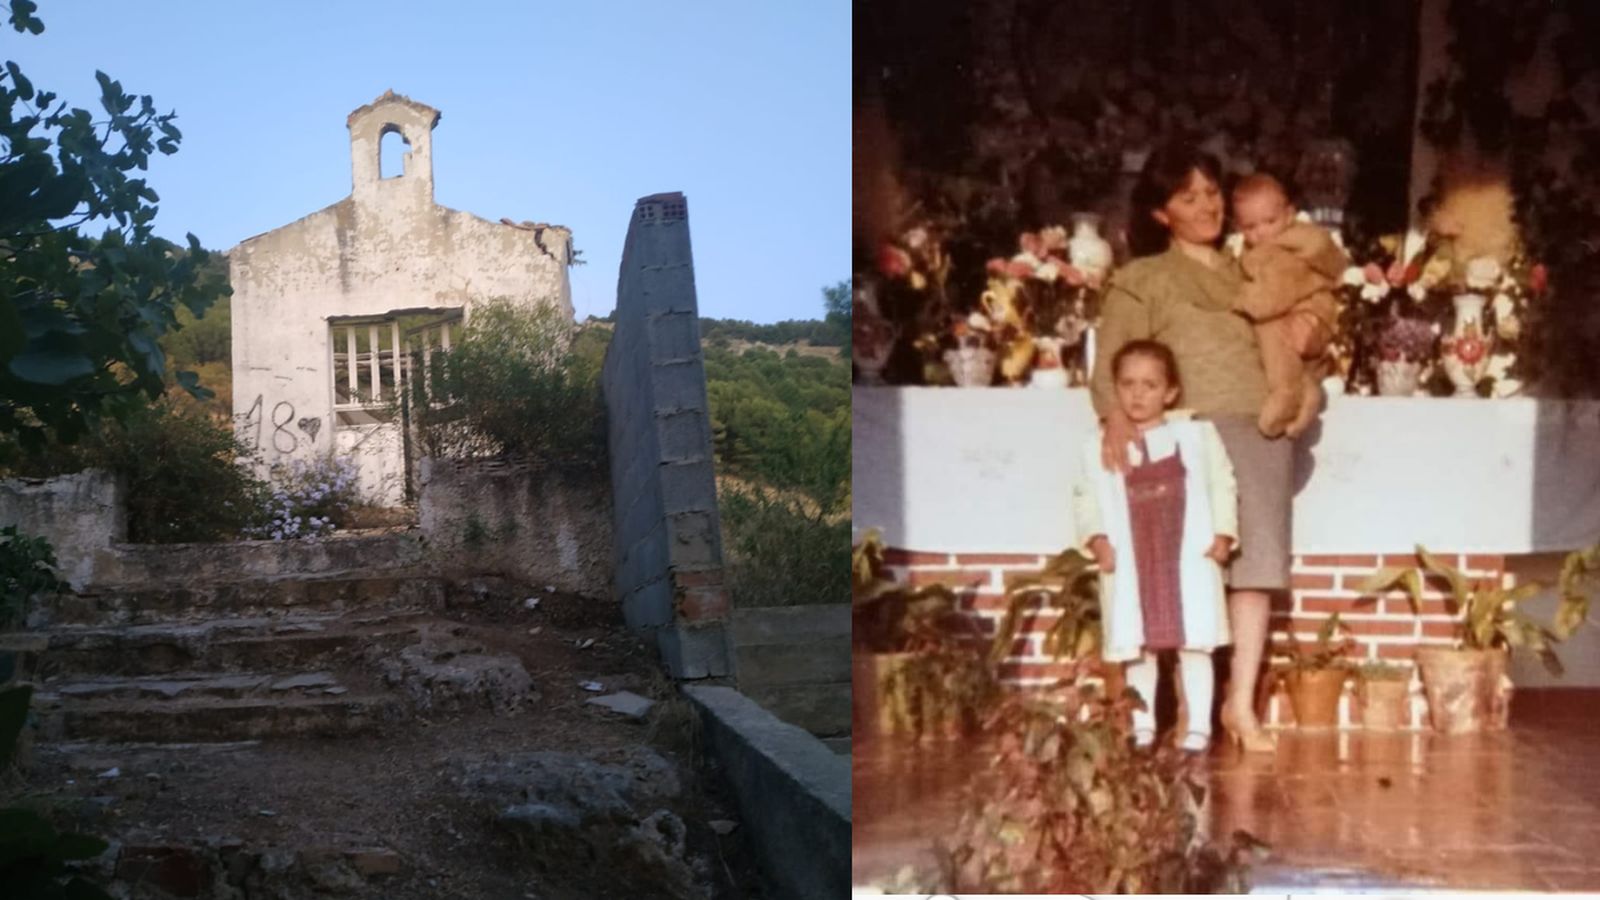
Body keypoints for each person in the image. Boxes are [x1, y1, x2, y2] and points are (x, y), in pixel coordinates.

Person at [1089, 143, 1296, 753]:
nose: (1208, 206)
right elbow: (1110, 367)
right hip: (1183, 439)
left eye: (1212, 193)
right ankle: (1181, 708)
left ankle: (1239, 706)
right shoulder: (1142, 278)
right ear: (1161, 213)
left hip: (1258, 431)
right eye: (1189, 197)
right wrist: (1115, 420)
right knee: (1181, 570)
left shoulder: (1252, 269)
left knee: (1255, 571)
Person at [1073, 340, 1238, 753]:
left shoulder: (1196, 436)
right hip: (1134, 553)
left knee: (1194, 640)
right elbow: (1086, 495)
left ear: (1170, 392)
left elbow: (1222, 482)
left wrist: (1222, 532)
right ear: (1115, 387)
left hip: (1184, 550)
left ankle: (1198, 725)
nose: (1138, 394)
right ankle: (1143, 724)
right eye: (1128, 384)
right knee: (1138, 643)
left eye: (1150, 385)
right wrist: (1097, 538)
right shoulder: (1099, 444)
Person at [1230, 173, 1348, 438]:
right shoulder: (1263, 248)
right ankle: (1306, 391)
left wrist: (1241, 303)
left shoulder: (1287, 248)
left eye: (1269, 221)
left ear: (1289, 214)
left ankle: (1286, 394)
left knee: (1271, 336)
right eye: (1250, 226)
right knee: (1290, 357)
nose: (1261, 232)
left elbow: (1272, 297)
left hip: (1304, 311)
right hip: (1300, 311)